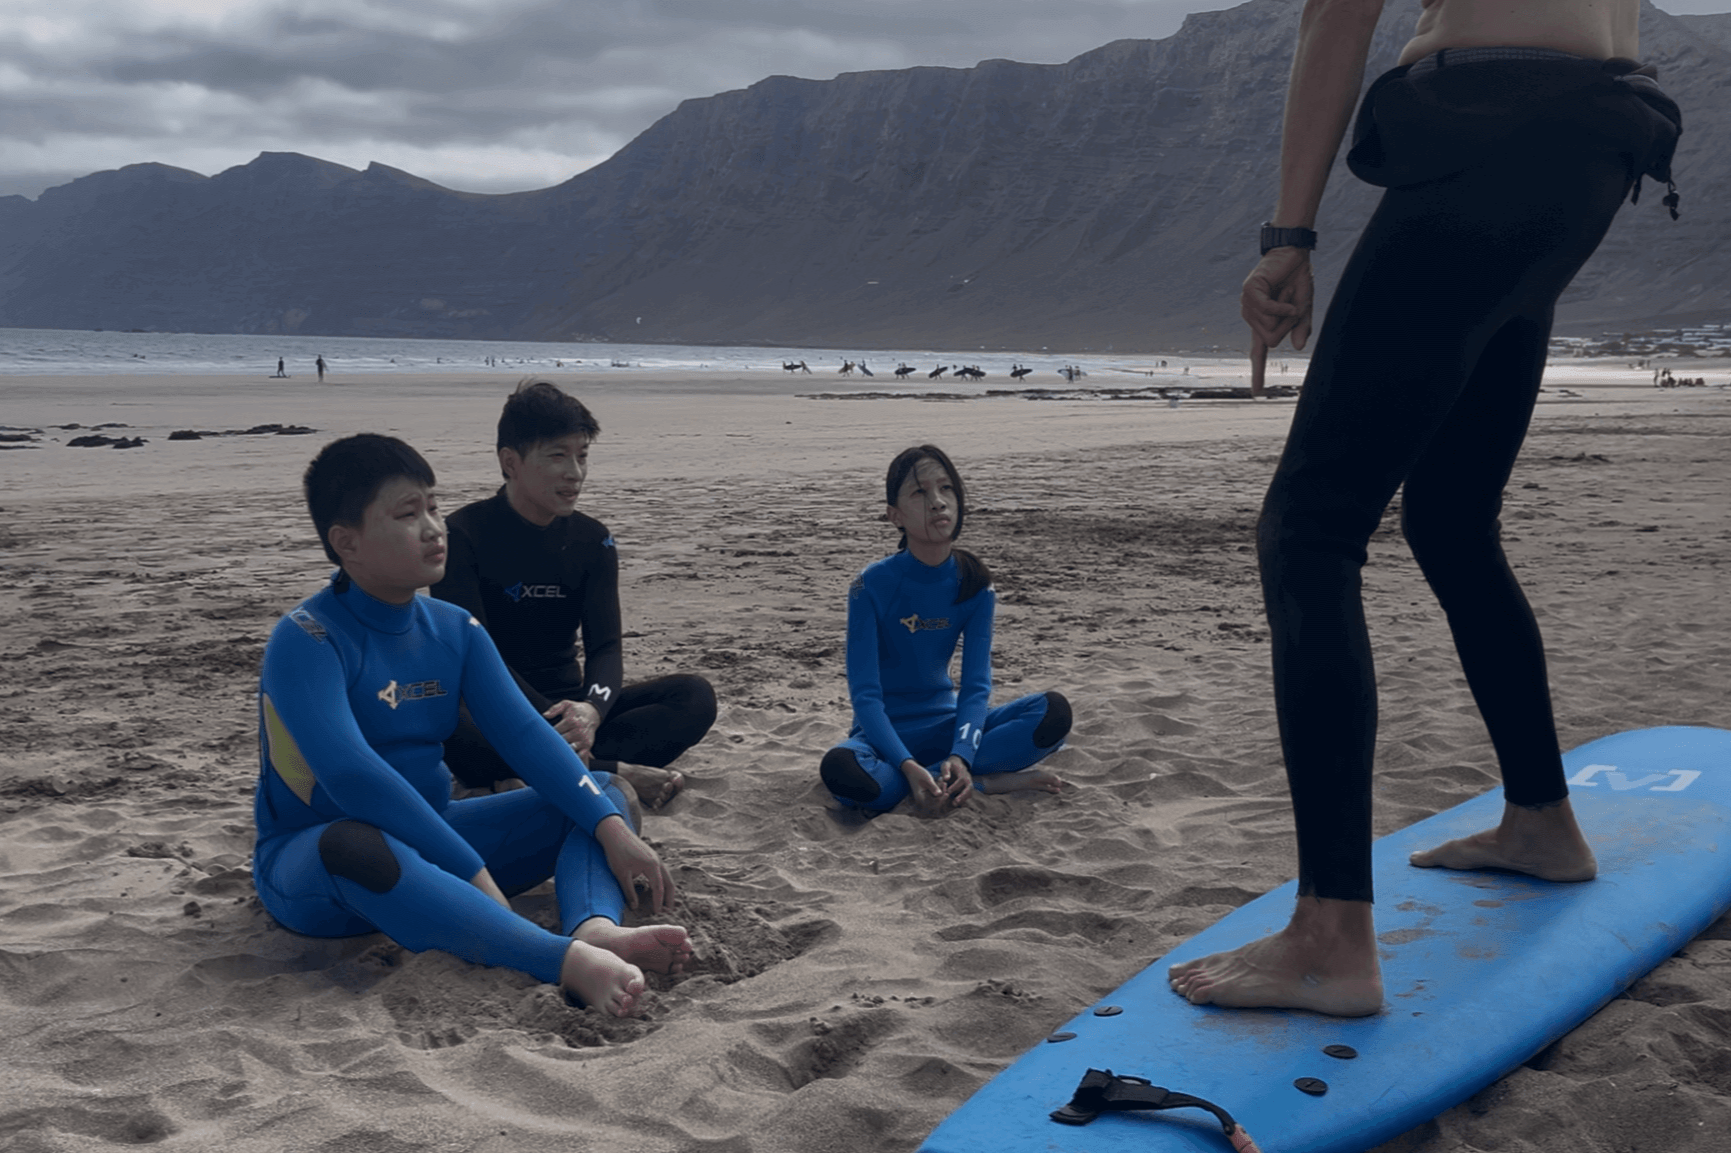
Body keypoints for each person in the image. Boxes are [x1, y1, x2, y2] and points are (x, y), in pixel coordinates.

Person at [1169, 0, 1680, 1017]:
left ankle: (1329, 936)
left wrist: (1288, 237)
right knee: (1450, 516)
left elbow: (1338, 13)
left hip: (1487, 131)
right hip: (1597, 150)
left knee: (1308, 530)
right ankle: (1541, 817)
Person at [253, 434, 691, 1016]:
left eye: (434, 506)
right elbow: (351, 778)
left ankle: (593, 930)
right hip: (319, 864)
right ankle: (561, 960)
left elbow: (531, 739)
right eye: (409, 514)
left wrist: (614, 831)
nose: (435, 528)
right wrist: (470, 870)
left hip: (437, 833)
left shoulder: (455, 629)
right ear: (346, 543)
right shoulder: (307, 638)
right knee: (356, 843)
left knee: (604, 797)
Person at [431, 381, 715, 809]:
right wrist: (560, 723)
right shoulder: (462, 536)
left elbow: (606, 646)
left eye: (582, 456)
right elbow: (474, 661)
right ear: (511, 462)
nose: (575, 473)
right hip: (495, 712)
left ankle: (555, 769)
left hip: (571, 708)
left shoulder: (592, 540)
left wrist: (592, 712)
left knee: (694, 696)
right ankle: (611, 771)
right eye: (558, 456)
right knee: (450, 724)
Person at [819, 445, 1072, 815]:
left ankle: (953, 777)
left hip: (949, 727)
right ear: (895, 516)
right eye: (920, 493)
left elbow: (975, 686)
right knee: (842, 771)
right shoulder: (869, 585)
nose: (937, 502)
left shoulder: (975, 584)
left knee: (1053, 713)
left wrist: (962, 754)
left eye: (946, 488)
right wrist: (906, 763)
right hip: (883, 741)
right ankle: (976, 782)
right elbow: (866, 696)